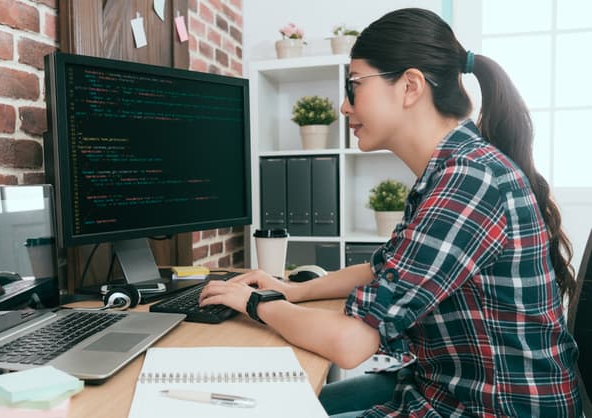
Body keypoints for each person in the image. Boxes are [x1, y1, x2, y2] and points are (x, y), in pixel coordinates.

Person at [199, 8, 581, 417]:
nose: (344, 107)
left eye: (354, 86)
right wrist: (294, 290)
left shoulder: (469, 180)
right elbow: (384, 270)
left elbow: (351, 343)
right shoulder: (450, 170)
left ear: (410, 86)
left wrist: (256, 304)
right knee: (276, 405)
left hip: (491, 407)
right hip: (443, 387)